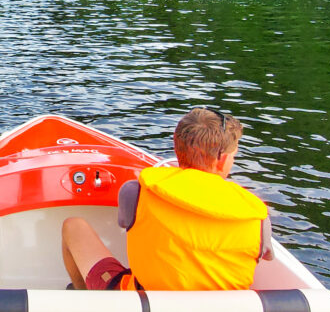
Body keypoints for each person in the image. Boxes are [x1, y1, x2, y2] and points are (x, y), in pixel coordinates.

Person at [61, 107, 270, 291]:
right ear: (222, 159)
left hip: (142, 301)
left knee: (73, 226)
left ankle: (84, 298)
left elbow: (127, 226)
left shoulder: (135, 192)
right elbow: (264, 255)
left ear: (176, 147)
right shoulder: (258, 217)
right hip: (222, 306)